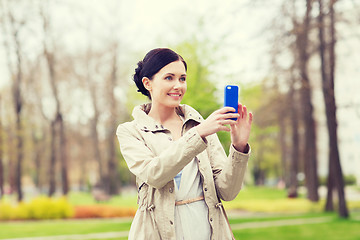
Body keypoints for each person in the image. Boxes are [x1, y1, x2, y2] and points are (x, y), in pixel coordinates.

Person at [116, 48, 253, 240]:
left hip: (208, 229)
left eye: (182, 78)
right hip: (158, 232)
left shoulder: (200, 124)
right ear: (148, 83)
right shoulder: (131, 131)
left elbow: (227, 192)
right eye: (169, 78)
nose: (178, 85)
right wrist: (199, 134)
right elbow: (154, 174)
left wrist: (239, 148)